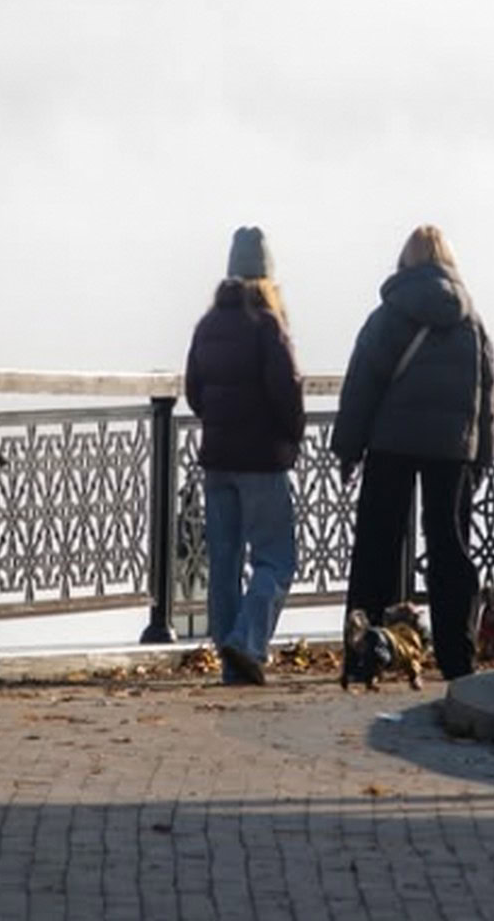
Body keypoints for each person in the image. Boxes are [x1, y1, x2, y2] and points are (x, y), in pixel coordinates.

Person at [332, 224, 494, 682]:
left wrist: (348, 446)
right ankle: (456, 657)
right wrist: (482, 453)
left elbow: (362, 383)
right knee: (451, 549)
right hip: (451, 448)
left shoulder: (390, 314)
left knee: (376, 548)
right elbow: (486, 394)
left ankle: (364, 652)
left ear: (406, 262)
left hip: (392, 443)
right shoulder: (471, 319)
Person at [185, 226, 305, 685]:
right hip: (262, 460)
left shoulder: (208, 324)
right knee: (276, 558)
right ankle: (248, 641)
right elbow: (287, 392)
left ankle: (230, 658)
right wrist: (289, 437)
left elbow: (194, 391)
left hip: (217, 458)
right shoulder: (268, 325)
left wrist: (219, 420)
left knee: (225, 559)